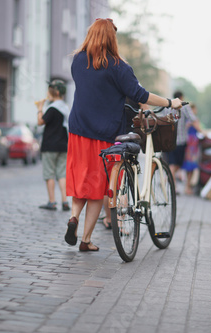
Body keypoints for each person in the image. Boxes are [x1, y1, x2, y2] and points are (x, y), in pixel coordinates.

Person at [64, 18, 182, 252]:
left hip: (77, 130)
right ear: (111, 38)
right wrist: (170, 102)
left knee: (80, 180)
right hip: (104, 133)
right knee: (97, 188)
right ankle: (86, 240)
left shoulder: (78, 60)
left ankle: (73, 217)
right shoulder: (118, 66)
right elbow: (141, 94)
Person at [36, 80, 70, 212]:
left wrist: (39, 108)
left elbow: (40, 122)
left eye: (49, 90)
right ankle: (65, 200)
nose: (47, 93)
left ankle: (52, 201)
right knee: (62, 174)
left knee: (49, 174)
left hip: (50, 145)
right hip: (63, 145)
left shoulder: (52, 108)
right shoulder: (65, 108)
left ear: (55, 92)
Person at [165, 91, 205, 191]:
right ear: (181, 97)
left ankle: (171, 183)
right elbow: (193, 119)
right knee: (177, 164)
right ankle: (172, 184)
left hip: (168, 140)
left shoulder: (166, 107)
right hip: (181, 141)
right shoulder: (184, 106)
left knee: (172, 163)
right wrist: (203, 132)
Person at [182, 103, 202, 195]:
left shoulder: (187, 120)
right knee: (192, 166)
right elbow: (199, 129)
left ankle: (187, 186)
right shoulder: (194, 119)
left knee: (188, 166)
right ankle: (188, 186)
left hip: (188, 143)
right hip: (193, 145)